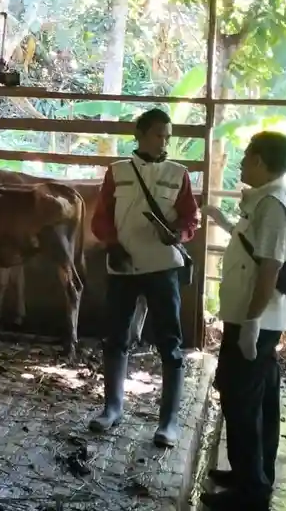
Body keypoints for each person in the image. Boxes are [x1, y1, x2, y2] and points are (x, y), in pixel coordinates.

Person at [200, 131, 286, 511]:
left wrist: (252, 323)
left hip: (255, 319)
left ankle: (250, 492)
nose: (241, 163)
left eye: (246, 157)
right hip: (251, 317)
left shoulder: (273, 204)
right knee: (258, 398)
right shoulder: (266, 199)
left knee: (240, 399)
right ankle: (252, 473)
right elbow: (254, 245)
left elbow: (269, 268)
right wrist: (223, 220)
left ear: (260, 161)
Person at [89, 107, 200, 447]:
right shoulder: (117, 172)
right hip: (123, 266)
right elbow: (102, 217)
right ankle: (112, 408)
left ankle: (169, 422)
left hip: (162, 267)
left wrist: (179, 234)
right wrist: (111, 244)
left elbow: (189, 218)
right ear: (139, 134)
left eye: (168, 136)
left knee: (169, 341)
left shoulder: (178, 173)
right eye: (158, 135)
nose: (164, 142)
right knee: (116, 336)